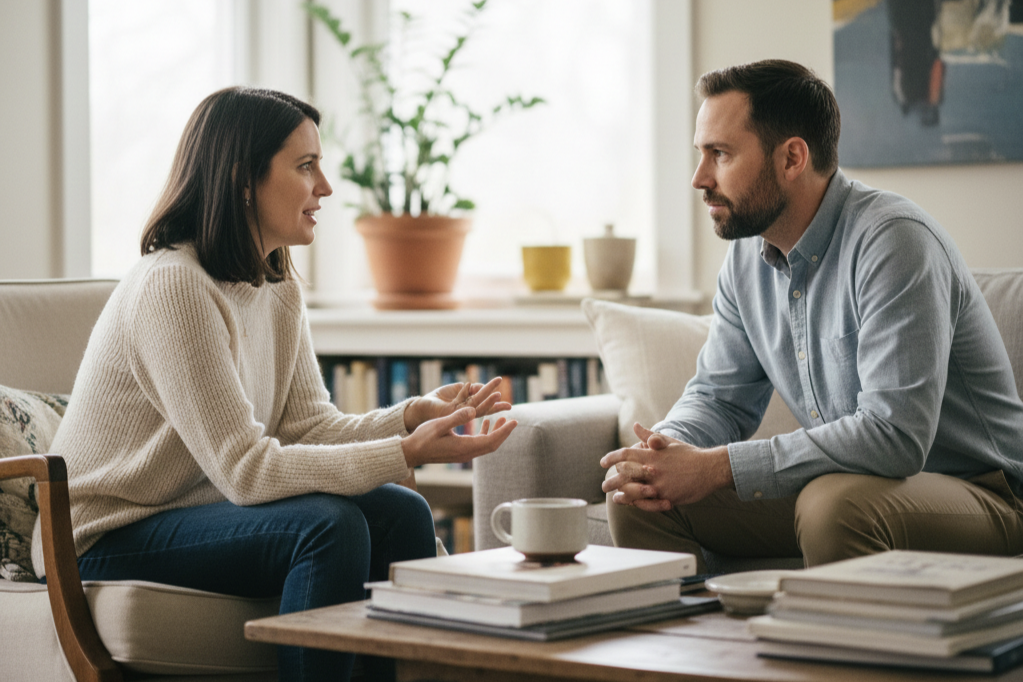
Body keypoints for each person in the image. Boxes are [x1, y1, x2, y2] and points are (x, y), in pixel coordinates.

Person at [36, 86, 517, 682]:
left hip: (193, 513)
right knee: (327, 525)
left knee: (403, 513)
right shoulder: (174, 286)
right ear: (243, 178)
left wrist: (410, 417)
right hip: (105, 533)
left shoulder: (277, 285)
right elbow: (246, 470)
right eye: (306, 166)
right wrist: (402, 452)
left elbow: (308, 426)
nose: (326, 188)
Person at [601, 60, 1023, 573]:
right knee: (640, 495)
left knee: (834, 507)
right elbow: (719, 398)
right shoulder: (745, 258)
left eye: (721, 154)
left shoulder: (894, 241)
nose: (699, 178)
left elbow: (895, 438)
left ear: (792, 158)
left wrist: (718, 467)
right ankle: (698, 652)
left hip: (983, 494)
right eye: (701, 154)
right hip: (851, 484)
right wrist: (661, 452)